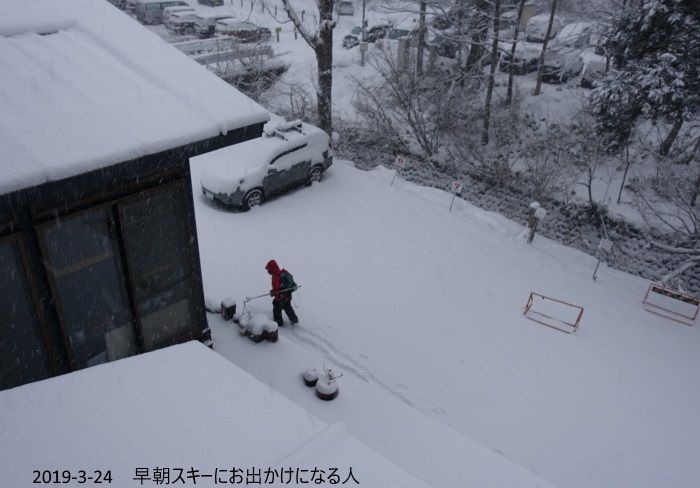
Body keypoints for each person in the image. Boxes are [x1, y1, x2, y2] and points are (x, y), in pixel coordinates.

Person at [265, 259, 298, 327]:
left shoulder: (275, 277)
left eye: (268, 269)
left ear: (271, 269)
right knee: (288, 307)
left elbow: (276, 290)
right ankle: (294, 320)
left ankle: (278, 323)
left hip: (281, 298)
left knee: (276, 308)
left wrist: (272, 292)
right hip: (288, 295)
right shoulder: (283, 272)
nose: (268, 271)